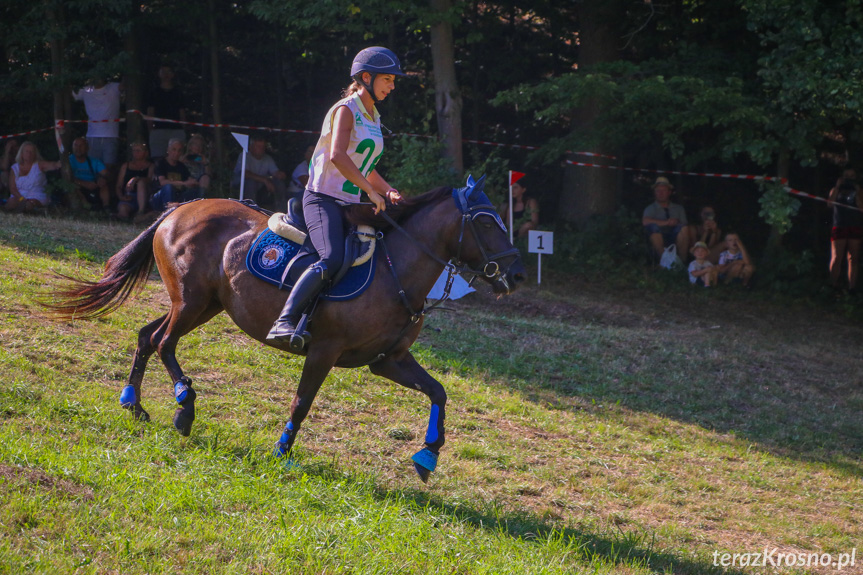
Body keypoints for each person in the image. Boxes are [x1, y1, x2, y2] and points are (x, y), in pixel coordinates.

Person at [266, 46, 405, 349]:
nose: (392, 86)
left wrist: (387, 189)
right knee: (332, 257)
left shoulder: (373, 116)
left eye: (394, 81)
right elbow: (338, 155)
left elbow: (365, 167)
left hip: (350, 204)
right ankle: (284, 321)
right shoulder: (346, 109)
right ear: (366, 77)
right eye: (388, 80)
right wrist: (370, 191)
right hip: (322, 198)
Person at [72, 78, 123, 174]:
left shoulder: (113, 87)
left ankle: (108, 188)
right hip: (92, 136)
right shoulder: (86, 90)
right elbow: (69, 92)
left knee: (109, 168)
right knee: (92, 167)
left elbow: (125, 85)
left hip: (110, 135)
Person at [827, 167, 863, 292]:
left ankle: (852, 288)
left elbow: (861, 207)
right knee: (837, 256)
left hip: (855, 226)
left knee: (853, 258)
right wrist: (837, 187)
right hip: (839, 225)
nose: (849, 178)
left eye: (851, 176)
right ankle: (832, 286)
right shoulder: (835, 189)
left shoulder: (859, 190)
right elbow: (830, 204)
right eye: (846, 176)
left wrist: (858, 192)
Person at [231, 136, 288, 210]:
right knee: (251, 183)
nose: (262, 149)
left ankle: (281, 210)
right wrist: (265, 180)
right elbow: (245, 174)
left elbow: (274, 172)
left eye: (263, 146)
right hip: (241, 186)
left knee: (279, 183)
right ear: (250, 147)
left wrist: (280, 175)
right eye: (258, 146)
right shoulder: (244, 155)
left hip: (260, 185)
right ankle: (251, 210)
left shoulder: (267, 158)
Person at [4, 141, 61, 212]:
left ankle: (23, 211)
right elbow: (13, 188)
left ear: (35, 154)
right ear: (21, 153)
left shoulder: (39, 165)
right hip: (19, 196)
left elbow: (53, 165)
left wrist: (58, 164)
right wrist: (22, 199)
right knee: (11, 203)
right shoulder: (15, 168)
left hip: (37, 195)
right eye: (27, 151)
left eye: (31, 152)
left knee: (30, 204)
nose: (29, 154)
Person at [643, 176, 690, 260]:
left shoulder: (679, 208)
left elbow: (685, 225)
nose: (661, 193)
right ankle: (664, 260)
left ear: (669, 192)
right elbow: (645, 221)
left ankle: (683, 262)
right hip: (658, 237)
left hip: (675, 237)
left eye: (663, 190)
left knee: (684, 228)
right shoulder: (650, 208)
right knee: (653, 227)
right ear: (655, 193)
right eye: (658, 191)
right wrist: (667, 222)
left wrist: (676, 222)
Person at [146, 65, 187, 159]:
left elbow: (182, 112)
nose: (166, 74)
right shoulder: (154, 92)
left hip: (177, 130)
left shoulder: (178, 92)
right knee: (158, 159)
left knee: (178, 159)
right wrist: (151, 130)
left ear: (172, 75)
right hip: (158, 130)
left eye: (169, 72)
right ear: (159, 74)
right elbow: (150, 112)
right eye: (163, 72)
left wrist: (183, 129)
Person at [150, 139, 200, 212]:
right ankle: (168, 212)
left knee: (194, 191)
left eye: (179, 150)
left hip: (177, 197)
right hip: (159, 197)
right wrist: (183, 183)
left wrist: (193, 183)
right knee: (168, 187)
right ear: (168, 150)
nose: (176, 153)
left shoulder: (181, 166)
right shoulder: (161, 163)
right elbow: (162, 182)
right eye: (174, 149)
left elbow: (190, 180)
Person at [69, 137, 111, 211]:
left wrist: (103, 179)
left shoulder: (94, 161)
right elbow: (67, 178)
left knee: (104, 185)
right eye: (75, 145)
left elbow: (106, 173)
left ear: (87, 148)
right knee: (73, 187)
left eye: (81, 146)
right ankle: (87, 207)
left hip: (93, 186)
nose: (78, 148)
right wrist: (83, 183)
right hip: (77, 185)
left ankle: (106, 207)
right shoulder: (68, 161)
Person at [115, 142, 155, 221]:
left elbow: (150, 180)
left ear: (146, 152)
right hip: (129, 196)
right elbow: (119, 185)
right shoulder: (126, 166)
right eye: (134, 150)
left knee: (141, 183)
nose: (136, 153)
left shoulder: (151, 166)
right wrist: (121, 197)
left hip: (145, 196)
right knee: (123, 210)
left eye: (139, 150)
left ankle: (141, 212)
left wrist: (136, 179)